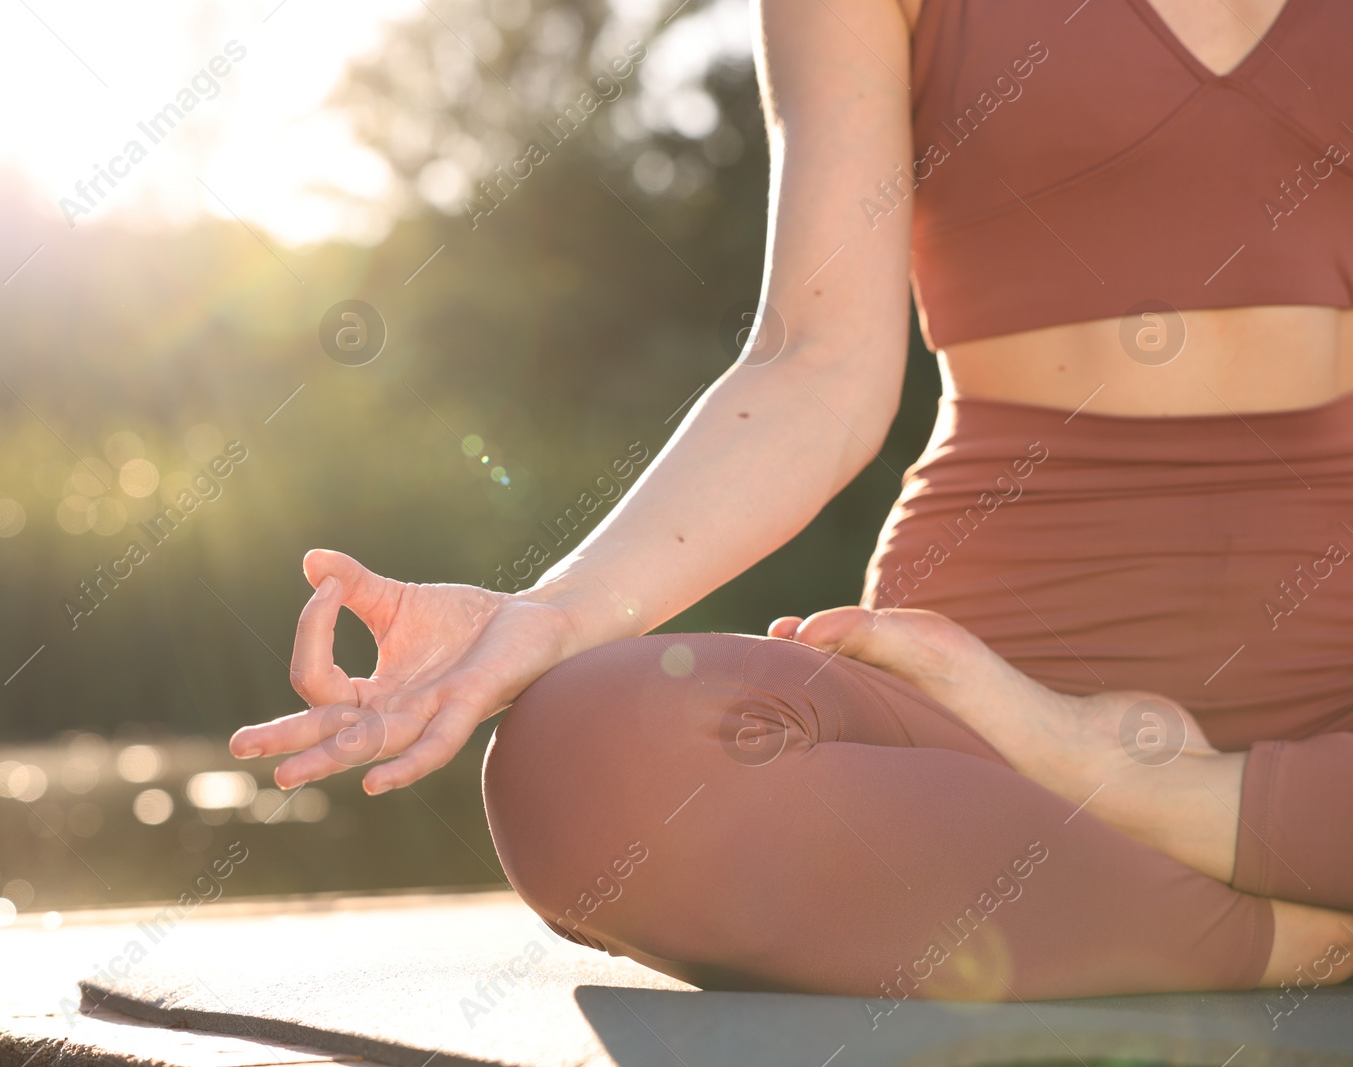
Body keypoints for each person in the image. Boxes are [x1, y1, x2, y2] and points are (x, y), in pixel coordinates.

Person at [231, 0, 1353, 1000]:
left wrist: (1147, 779)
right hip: (987, 683)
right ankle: (1288, 928)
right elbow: (811, 363)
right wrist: (556, 611)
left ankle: (1155, 808)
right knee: (584, 761)